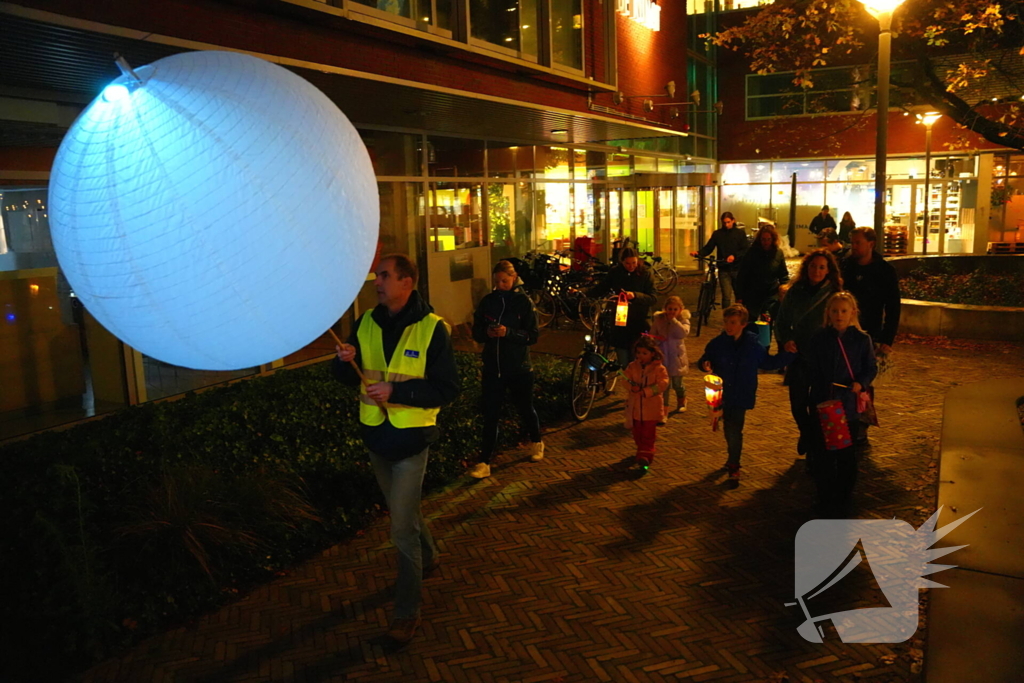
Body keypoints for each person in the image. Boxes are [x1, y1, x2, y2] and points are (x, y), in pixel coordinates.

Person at [332, 254, 460, 644]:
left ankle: (406, 613)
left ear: (408, 282)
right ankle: (431, 555)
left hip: (410, 443)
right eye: (377, 276)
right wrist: (344, 360)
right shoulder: (366, 322)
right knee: (403, 513)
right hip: (375, 438)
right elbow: (343, 376)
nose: (377, 281)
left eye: (385, 276)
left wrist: (397, 391)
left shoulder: (433, 329)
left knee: (400, 529)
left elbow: (448, 389)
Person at [697, 304, 794, 481]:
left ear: (742, 324)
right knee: (729, 427)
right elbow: (705, 357)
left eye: (733, 322)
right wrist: (705, 364)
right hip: (722, 393)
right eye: (727, 322)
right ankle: (732, 458)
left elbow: (767, 362)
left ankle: (734, 463)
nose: (729, 326)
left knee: (735, 428)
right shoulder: (718, 344)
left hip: (741, 392)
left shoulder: (752, 345)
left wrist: (788, 355)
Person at [803, 292, 877, 517]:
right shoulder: (819, 338)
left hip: (848, 405)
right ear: (828, 313)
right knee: (823, 453)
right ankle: (825, 496)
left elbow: (870, 367)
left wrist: (860, 383)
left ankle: (844, 496)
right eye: (835, 311)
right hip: (824, 403)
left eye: (844, 311)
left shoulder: (862, 340)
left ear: (852, 313)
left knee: (846, 454)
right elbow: (811, 368)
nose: (839, 315)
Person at [469, 260, 544, 479]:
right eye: (497, 281)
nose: (500, 285)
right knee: (491, 414)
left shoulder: (524, 303)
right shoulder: (488, 302)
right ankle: (484, 462)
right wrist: (487, 334)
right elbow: (477, 331)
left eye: (505, 280)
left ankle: (537, 441)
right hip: (493, 368)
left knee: (525, 407)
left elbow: (533, 336)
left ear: (514, 278)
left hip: (519, 368)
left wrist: (509, 333)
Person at [775, 250, 843, 457]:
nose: (817, 271)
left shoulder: (835, 293)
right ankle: (807, 433)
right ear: (807, 268)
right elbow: (782, 320)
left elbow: (842, 323)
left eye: (822, 267)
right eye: (813, 266)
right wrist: (786, 340)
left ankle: (813, 445)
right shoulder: (796, 291)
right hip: (799, 355)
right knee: (797, 404)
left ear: (828, 270)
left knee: (816, 406)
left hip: (823, 358)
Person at [840, 227, 901, 445]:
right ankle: (845, 419)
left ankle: (862, 423)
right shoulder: (846, 266)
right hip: (844, 331)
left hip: (871, 333)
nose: (853, 247)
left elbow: (893, 306)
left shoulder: (884, 271)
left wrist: (887, 339)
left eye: (857, 243)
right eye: (852, 242)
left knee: (865, 379)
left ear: (871, 244)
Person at [586, 246, 656, 365]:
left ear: (638, 260)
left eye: (633, 262)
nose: (631, 266)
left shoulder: (646, 273)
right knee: (622, 353)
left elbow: (653, 298)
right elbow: (602, 288)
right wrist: (585, 294)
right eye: (627, 263)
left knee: (637, 356)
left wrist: (635, 296)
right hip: (620, 319)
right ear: (621, 262)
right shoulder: (615, 272)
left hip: (638, 319)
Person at [623, 335, 670, 470]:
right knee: (637, 432)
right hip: (636, 408)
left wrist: (647, 391)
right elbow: (625, 379)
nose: (641, 356)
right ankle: (641, 451)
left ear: (652, 353)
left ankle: (646, 455)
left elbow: (663, 383)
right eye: (638, 353)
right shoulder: (633, 366)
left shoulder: (659, 369)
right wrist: (631, 387)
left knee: (648, 433)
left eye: (644, 353)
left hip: (651, 408)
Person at [735, 222, 790, 321]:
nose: (766, 242)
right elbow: (742, 274)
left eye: (768, 239)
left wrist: (785, 289)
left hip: (770, 294)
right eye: (763, 239)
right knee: (751, 323)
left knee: (767, 324)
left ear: (773, 239)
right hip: (753, 295)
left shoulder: (778, 253)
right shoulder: (751, 253)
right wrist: (739, 296)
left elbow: (783, 274)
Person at [694, 211, 749, 309]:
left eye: (728, 222)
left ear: (733, 221)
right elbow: (709, 247)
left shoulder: (740, 234)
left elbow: (745, 249)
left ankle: (740, 315)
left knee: (740, 295)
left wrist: (734, 256)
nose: (726, 225)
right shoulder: (718, 234)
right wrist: (699, 253)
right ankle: (726, 316)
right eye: (724, 222)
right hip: (724, 268)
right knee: (726, 296)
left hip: (738, 269)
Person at [650, 295, 691, 415]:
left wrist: (674, 321)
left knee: (678, 384)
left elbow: (682, 333)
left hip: (677, 358)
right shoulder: (659, 320)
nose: (672, 312)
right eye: (670, 309)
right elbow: (653, 335)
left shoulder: (684, 321)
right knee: (665, 385)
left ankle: (682, 401)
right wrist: (657, 340)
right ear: (665, 309)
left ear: (680, 310)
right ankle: (664, 411)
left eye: (675, 309)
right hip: (663, 356)